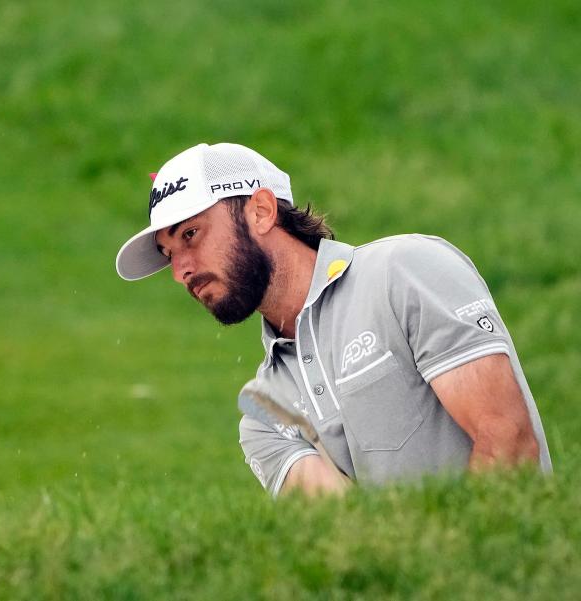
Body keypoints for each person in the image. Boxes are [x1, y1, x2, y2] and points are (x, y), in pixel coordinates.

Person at [115, 142, 551, 497]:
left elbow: (509, 442)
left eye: (191, 234)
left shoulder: (404, 270)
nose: (180, 271)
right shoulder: (264, 412)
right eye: (170, 254)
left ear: (262, 211)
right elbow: (353, 539)